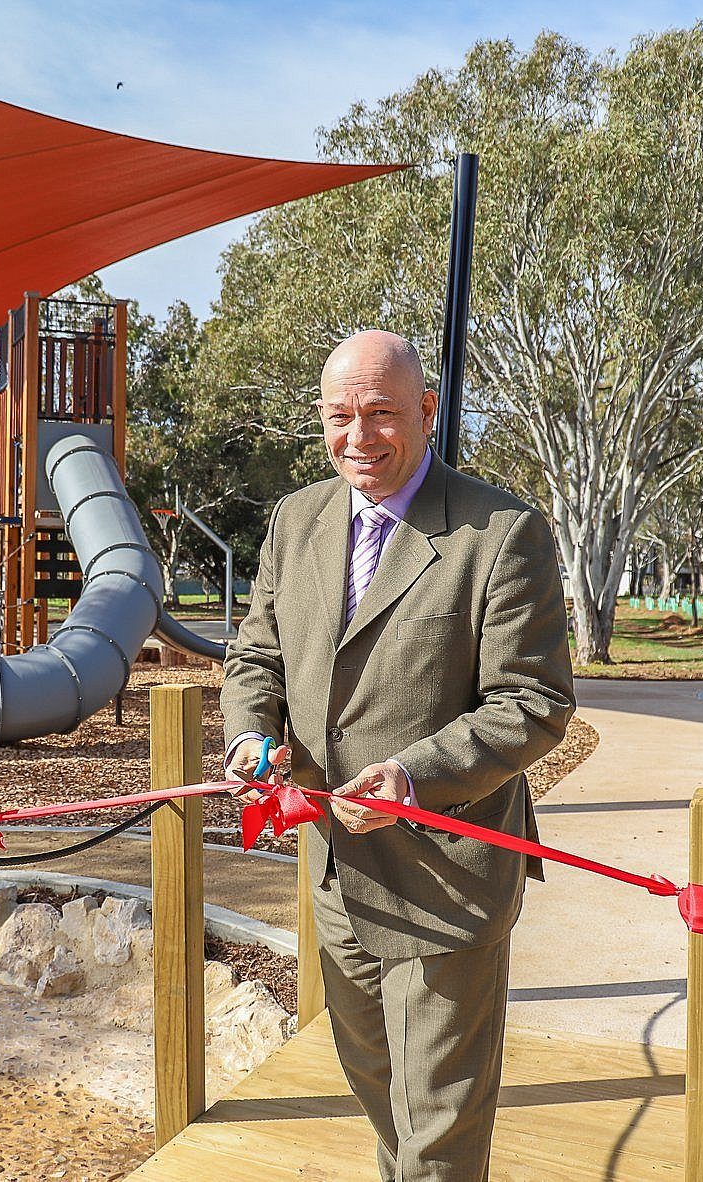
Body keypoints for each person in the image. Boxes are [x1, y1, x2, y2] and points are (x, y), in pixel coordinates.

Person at [221, 330, 574, 1181]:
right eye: (340, 416)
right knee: (381, 1091)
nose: (358, 436)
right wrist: (248, 733)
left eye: (381, 413)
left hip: (447, 878)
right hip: (334, 871)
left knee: (439, 1126)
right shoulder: (295, 519)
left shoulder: (503, 534)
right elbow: (256, 657)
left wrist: (415, 774)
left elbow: (535, 701)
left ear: (425, 410)